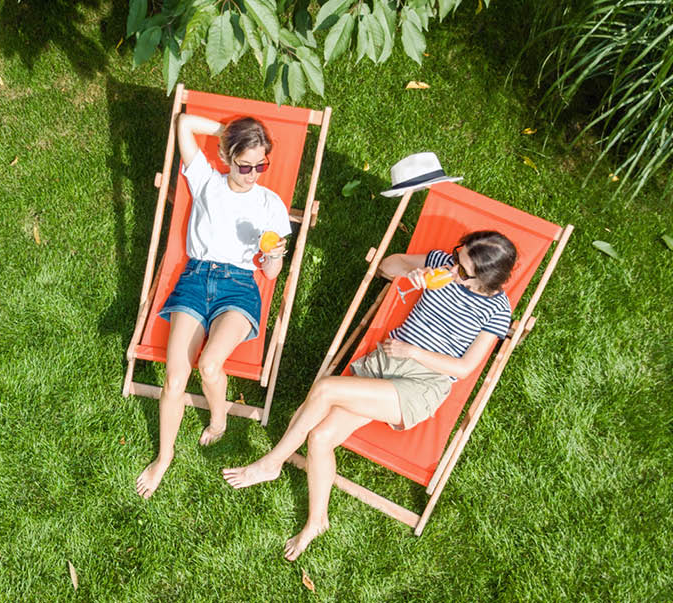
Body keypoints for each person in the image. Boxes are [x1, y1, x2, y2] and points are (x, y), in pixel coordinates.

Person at [223, 230, 517, 560]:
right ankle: (317, 521)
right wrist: (412, 273)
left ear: (486, 280)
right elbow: (386, 266)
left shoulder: (496, 310)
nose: (452, 270)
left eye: (463, 271)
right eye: (456, 256)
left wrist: (413, 353)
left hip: (422, 382)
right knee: (319, 437)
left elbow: (464, 368)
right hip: (384, 361)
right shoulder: (440, 262)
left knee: (325, 389)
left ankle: (272, 463)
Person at [135, 113, 293, 499]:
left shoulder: (271, 203)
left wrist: (273, 256)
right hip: (194, 279)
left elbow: (271, 275)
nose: (254, 173)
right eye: (245, 165)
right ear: (227, 157)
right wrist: (225, 132)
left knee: (208, 365)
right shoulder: (205, 179)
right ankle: (164, 457)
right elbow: (184, 124)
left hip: (239, 287)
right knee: (174, 378)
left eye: (261, 165)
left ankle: (219, 419)